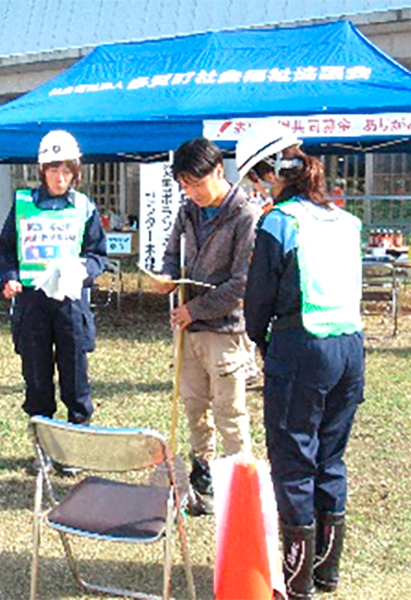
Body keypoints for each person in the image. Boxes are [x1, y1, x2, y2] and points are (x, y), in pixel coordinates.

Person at [238, 124, 365, 599]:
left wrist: (262, 340)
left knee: (293, 461)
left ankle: (295, 585)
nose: (256, 187)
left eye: (256, 178)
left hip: (302, 347)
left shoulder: (279, 222)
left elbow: (258, 304)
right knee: (330, 458)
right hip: (350, 349)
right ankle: (326, 573)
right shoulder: (343, 220)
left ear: (271, 173)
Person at [153, 136, 258, 515]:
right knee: (193, 404)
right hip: (189, 329)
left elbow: (243, 284)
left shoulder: (246, 215)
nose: (192, 192)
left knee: (229, 410)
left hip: (226, 330)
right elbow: (170, 252)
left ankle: (241, 484)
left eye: (197, 183)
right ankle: (205, 472)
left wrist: (194, 310)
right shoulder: (188, 210)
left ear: (219, 171)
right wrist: (166, 277)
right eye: (184, 185)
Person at [0, 130, 107, 465]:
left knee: (75, 378)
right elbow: (4, 250)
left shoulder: (85, 207)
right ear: (41, 170)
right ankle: (43, 447)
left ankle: (73, 448)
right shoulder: (23, 205)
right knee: (37, 377)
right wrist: (9, 278)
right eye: (54, 170)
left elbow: (97, 254)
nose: (61, 178)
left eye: (67, 171)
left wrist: (82, 271)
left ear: (76, 172)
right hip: (32, 304)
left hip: (71, 302)